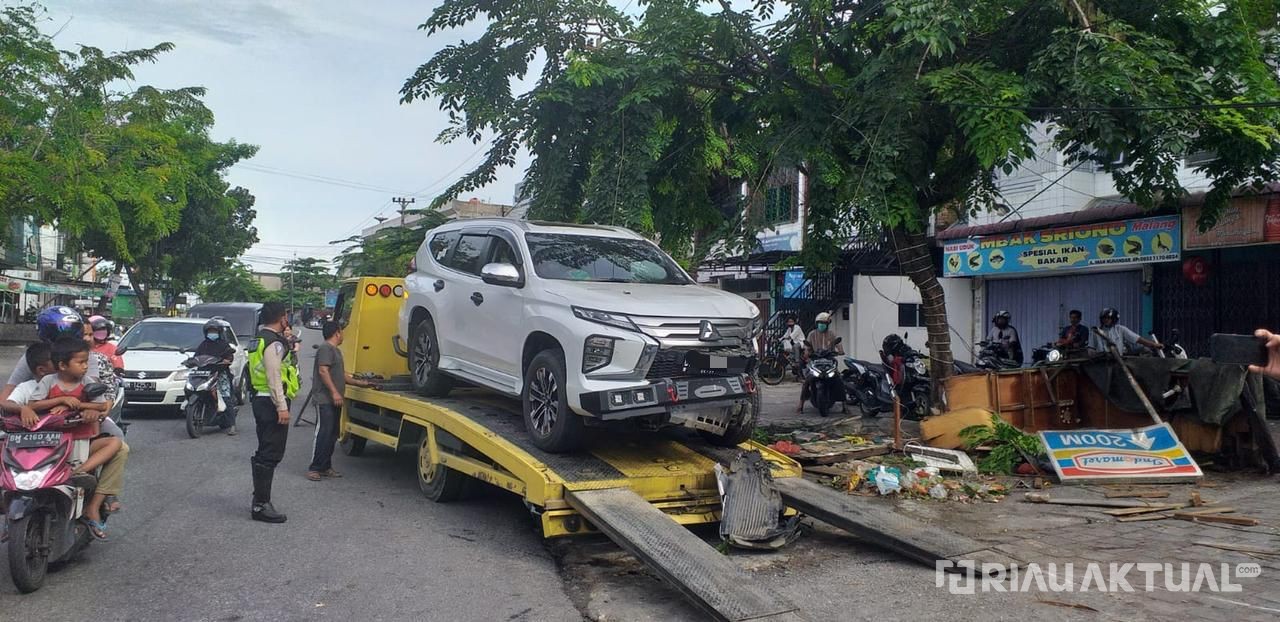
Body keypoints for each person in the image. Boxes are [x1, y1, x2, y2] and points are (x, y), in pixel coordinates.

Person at [2, 306, 130, 515]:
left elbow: (94, 395)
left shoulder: (85, 358)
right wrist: (25, 407)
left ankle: (99, 497)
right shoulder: (35, 356)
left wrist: (91, 411)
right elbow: (6, 398)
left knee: (118, 440)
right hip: (38, 424)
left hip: (76, 421)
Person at [247, 302, 298, 523]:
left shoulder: (258, 339)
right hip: (271, 402)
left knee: (265, 450)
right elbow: (273, 375)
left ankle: (259, 498)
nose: (287, 318)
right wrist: (282, 406)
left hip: (261, 399)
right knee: (271, 453)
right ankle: (261, 504)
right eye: (286, 315)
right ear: (281, 318)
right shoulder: (273, 343)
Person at [307, 321, 375, 481]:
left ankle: (325, 466)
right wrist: (334, 392)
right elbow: (323, 371)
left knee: (332, 433)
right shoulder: (325, 348)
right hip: (325, 399)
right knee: (323, 432)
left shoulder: (335, 351)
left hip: (334, 399)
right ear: (337, 332)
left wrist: (361, 383)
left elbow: (341, 374)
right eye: (342, 332)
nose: (343, 334)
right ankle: (314, 468)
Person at [194, 319, 239, 435]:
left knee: (225, 396)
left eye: (214, 331)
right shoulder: (203, 345)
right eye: (210, 331)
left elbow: (229, 356)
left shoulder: (224, 345)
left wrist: (226, 361)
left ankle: (232, 425)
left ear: (218, 332)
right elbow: (196, 357)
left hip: (220, 374)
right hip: (205, 374)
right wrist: (190, 361)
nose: (212, 333)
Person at [797, 312, 844, 413]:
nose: (821, 325)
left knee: (839, 379)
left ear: (828, 324)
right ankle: (800, 405)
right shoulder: (812, 334)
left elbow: (838, 344)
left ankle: (845, 406)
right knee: (807, 381)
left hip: (829, 361)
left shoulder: (832, 334)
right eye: (820, 323)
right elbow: (807, 346)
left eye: (824, 323)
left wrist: (840, 350)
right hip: (815, 361)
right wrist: (806, 353)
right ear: (816, 324)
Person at [1090, 308, 1161, 354]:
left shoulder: (1120, 329)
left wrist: (1154, 345)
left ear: (1114, 319)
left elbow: (1137, 339)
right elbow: (1091, 348)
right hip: (1100, 361)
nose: (1106, 320)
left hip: (1118, 360)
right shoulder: (1095, 331)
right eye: (1104, 318)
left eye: (1108, 318)